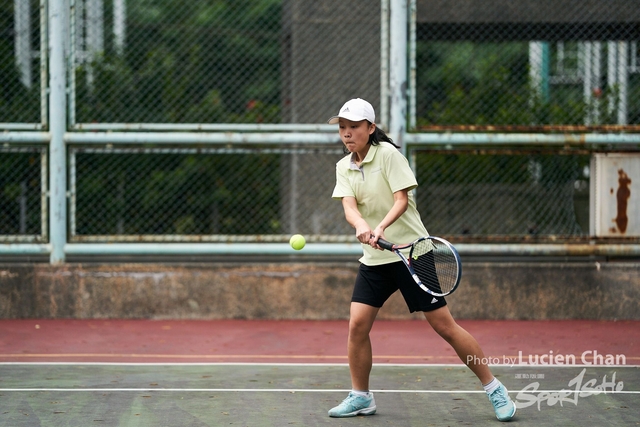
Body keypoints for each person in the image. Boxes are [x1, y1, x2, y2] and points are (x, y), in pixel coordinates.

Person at [327, 98, 516, 421]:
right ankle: (361, 396)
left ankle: (494, 388)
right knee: (357, 325)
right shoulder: (344, 166)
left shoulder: (389, 156)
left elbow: (402, 199)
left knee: (444, 326)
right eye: (343, 128)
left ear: (371, 129)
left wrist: (381, 226)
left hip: (411, 254)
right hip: (375, 259)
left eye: (354, 127)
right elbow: (349, 206)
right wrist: (361, 225)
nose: (347, 133)